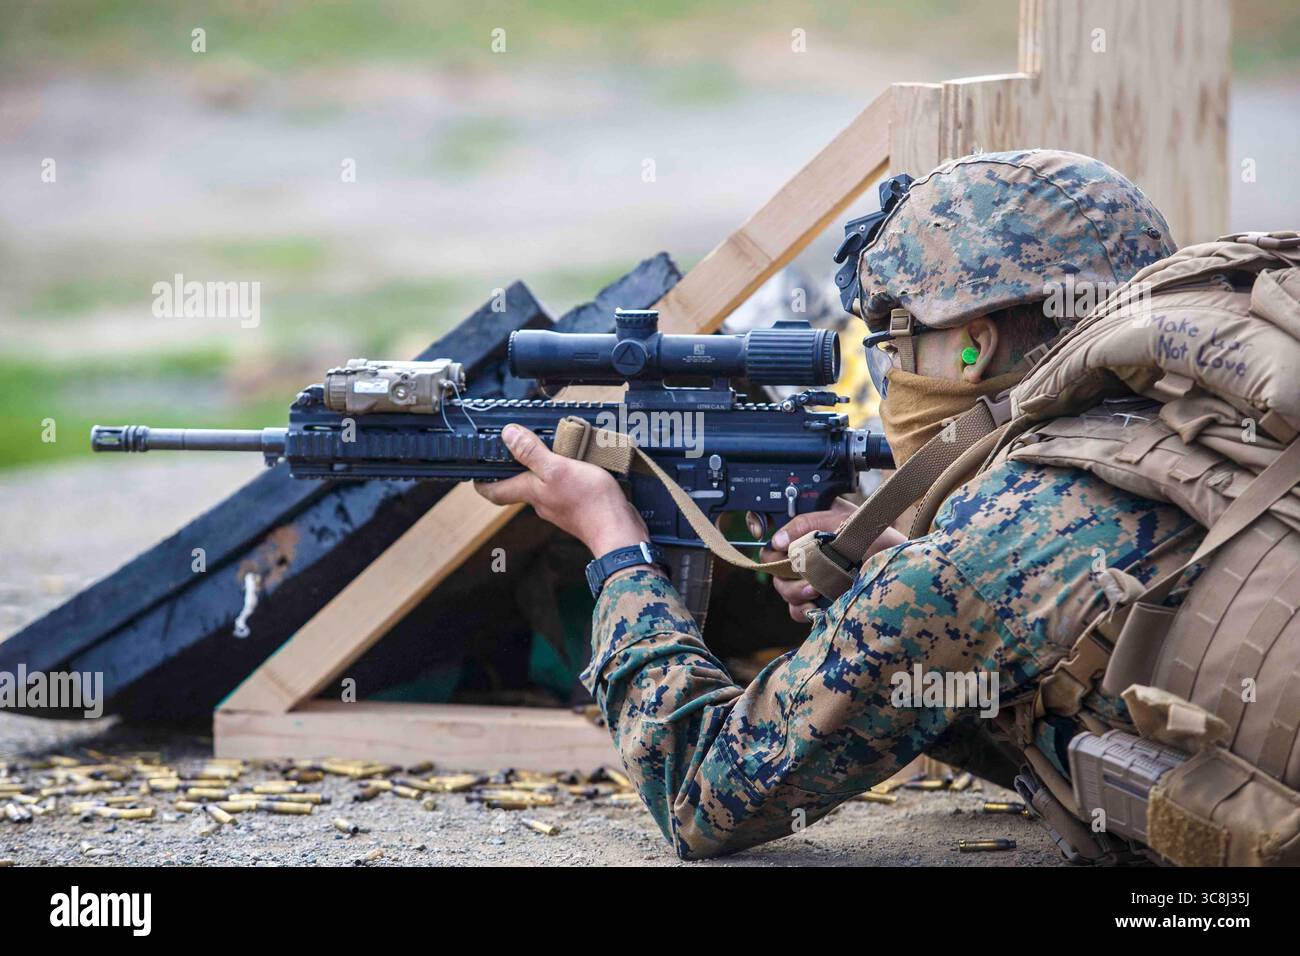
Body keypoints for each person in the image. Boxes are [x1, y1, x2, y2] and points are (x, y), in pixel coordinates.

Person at [474, 149, 1196, 860]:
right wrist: (900, 592)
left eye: (899, 342)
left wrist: (615, 545)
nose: (892, 375)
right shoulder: (1202, 432)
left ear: (975, 347)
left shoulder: (979, 557)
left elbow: (700, 795)